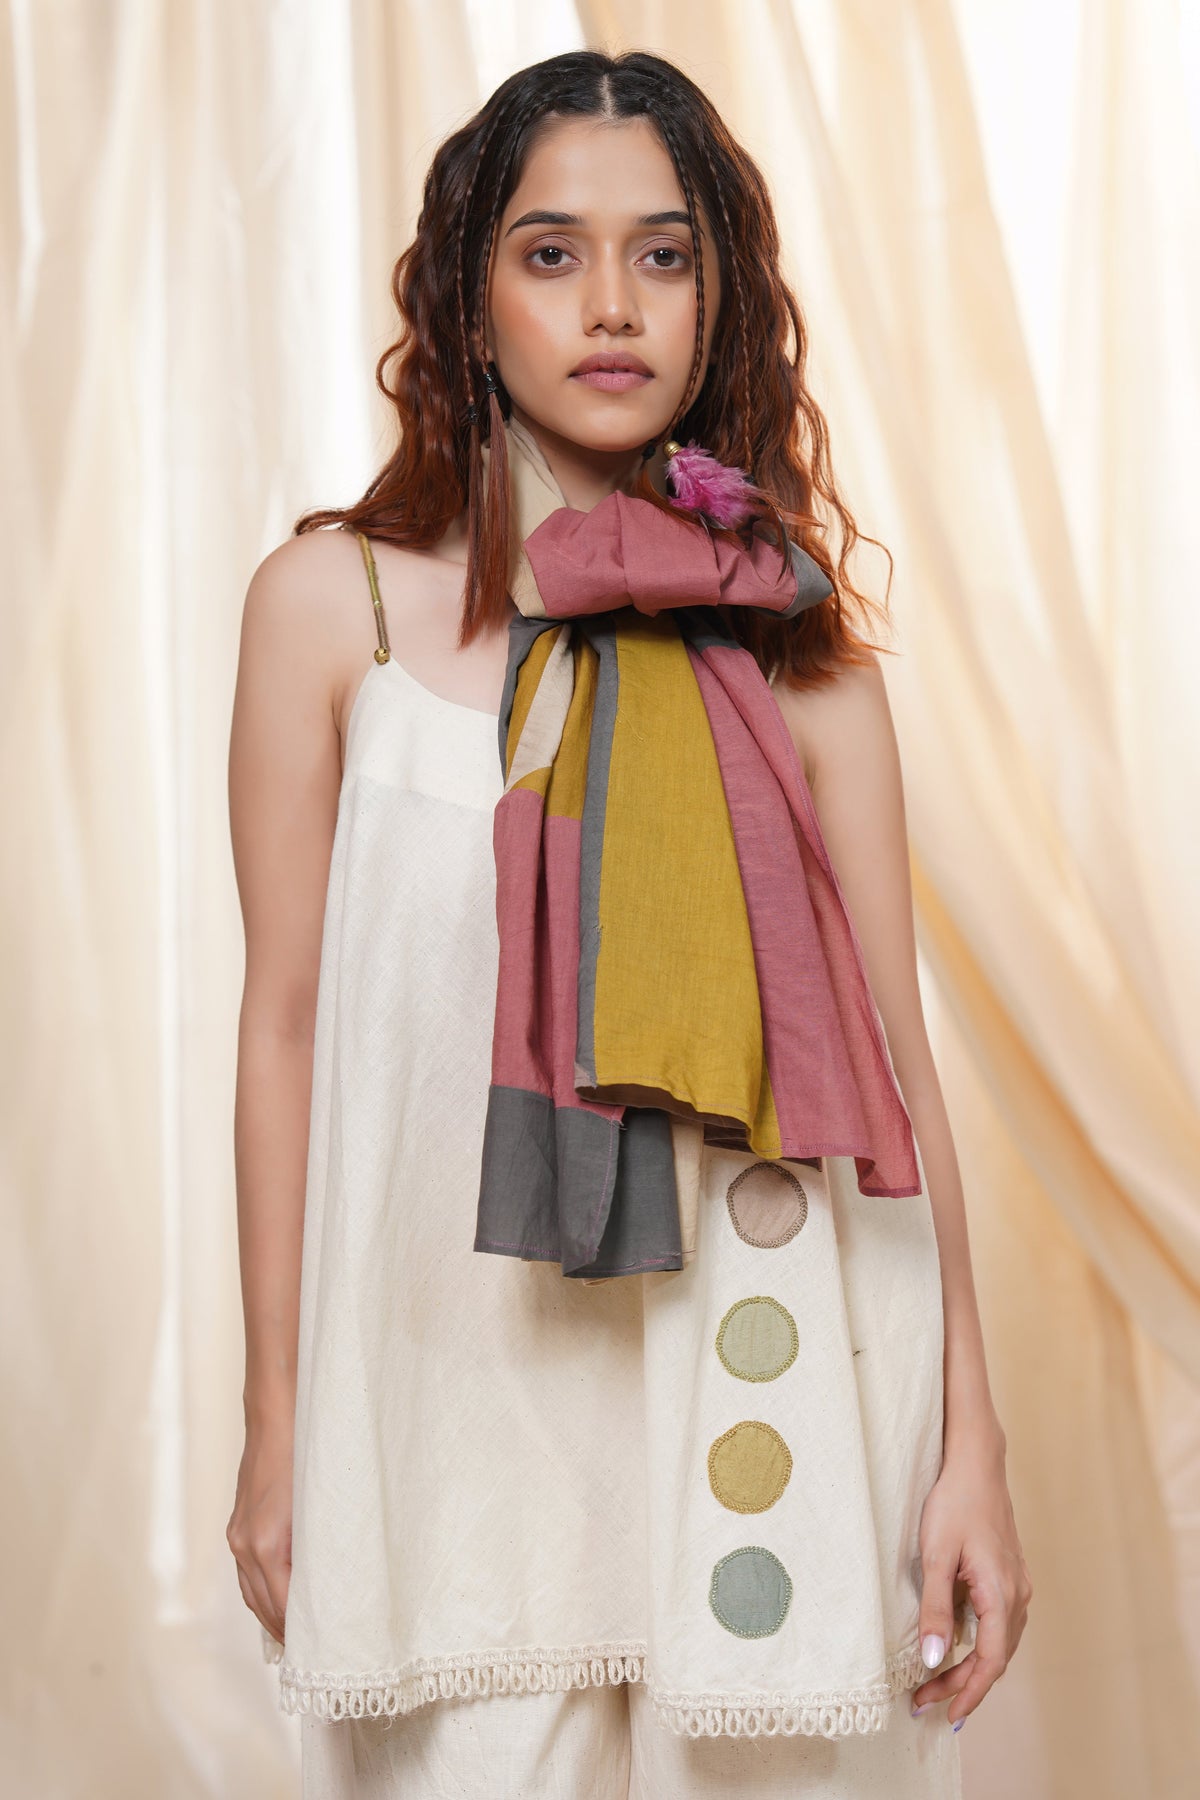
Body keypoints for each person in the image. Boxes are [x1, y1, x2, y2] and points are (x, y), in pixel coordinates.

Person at [225, 47, 1031, 1799]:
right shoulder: (335, 615)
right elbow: (282, 1028)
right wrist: (278, 1423)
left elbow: (898, 1073)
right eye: (551, 253)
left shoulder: (800, 660)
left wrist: (972, 1439)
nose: (612, 304)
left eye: (663, 255)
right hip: (446, 1408)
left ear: (717, 298)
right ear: (469, 299)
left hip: (770, 1395)